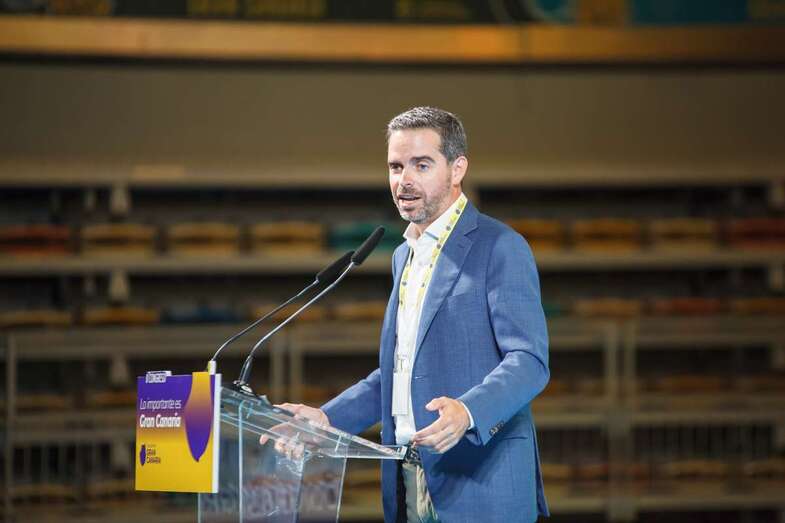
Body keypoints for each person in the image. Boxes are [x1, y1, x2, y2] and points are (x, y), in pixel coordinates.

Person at [276, 106, 550, 523]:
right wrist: (327, 417)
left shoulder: (500, 247)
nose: (404, 180)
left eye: (422, 165)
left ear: (457, 169)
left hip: (481, 485)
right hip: (408, 480)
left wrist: (468, 410)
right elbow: (398, 373)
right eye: (396, 166)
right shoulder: (404, 255)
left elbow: (529, 361)